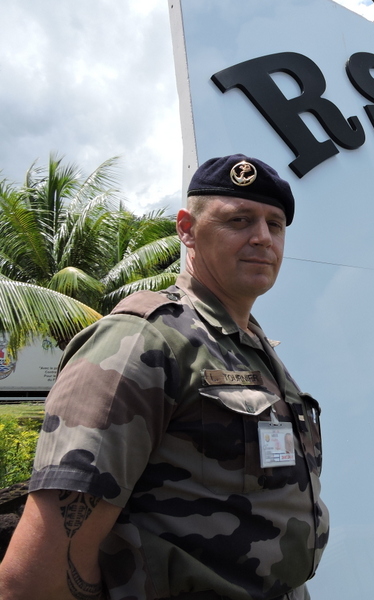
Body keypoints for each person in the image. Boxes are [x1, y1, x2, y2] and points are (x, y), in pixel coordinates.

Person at [0, 155, 328, 600]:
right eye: (239, 220)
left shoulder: (249, 345)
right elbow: (36, 578)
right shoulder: (142, 340)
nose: (262, 238)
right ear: (186, 229)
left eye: (276, 224)